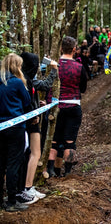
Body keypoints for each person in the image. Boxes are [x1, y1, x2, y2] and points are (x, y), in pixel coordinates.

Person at [19, 52, 57, 203]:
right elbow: (45, 85)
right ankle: (26, 188)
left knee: (32, 153)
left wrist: (37, 103)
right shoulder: (25, 80)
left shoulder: (24, 79)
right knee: (34, 153)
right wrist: (54, 70)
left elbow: (31, 96)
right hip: (29, 122)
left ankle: (27, 187)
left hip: (28, 120)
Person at [47, 36, 87, 177]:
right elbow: (83, 88)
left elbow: (46, 85)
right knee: (70, 141)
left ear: (60, 48)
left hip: (54, 106)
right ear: (74, 49)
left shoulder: (53, 66)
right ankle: (68, 172)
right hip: (73, 105)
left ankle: (52, 171)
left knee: (54, 139)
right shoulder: (79, 67)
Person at [0, 53, 31, 212]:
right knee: (13, 164)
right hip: (15, 127)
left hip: (1, 127)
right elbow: (27, 102)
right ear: (15, 66)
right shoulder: (17, 82)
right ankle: (12, 201)